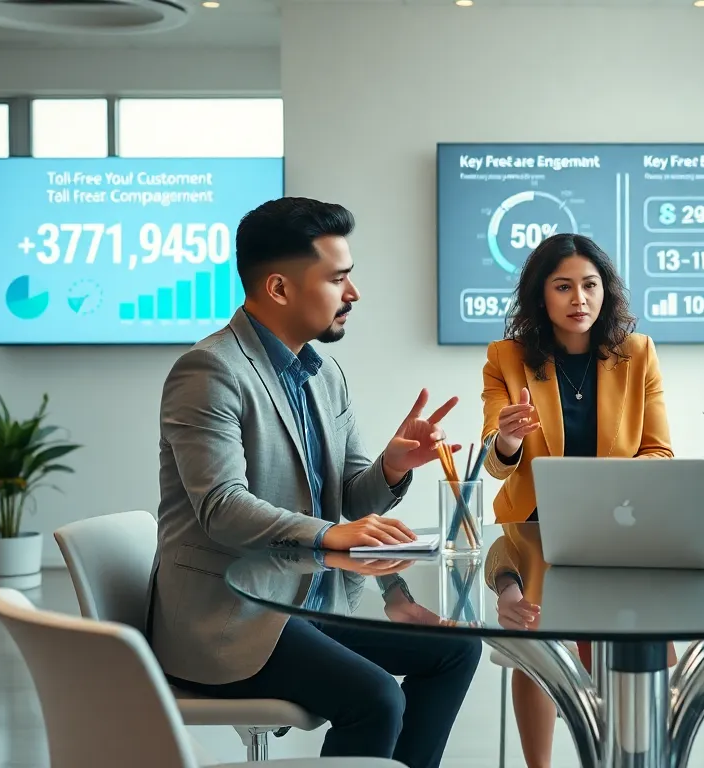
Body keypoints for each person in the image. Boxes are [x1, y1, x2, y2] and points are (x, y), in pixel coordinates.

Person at [149, 197, 481, 767]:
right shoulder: (209, 371)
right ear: (279, 288)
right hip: (229, 619)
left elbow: (348, 497)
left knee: (454, 650)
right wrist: (332, 535)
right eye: (338, 278)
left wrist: (393, 467)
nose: (353, 294)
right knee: (375, 697)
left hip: (305, 603)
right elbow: (223, 508)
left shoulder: (323, 371)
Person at [480, 232, 674, 768]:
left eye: (590, 285)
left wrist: (610, 494)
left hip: (618, 534)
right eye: (563, 287)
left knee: (634, 644)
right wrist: (508, 438)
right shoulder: (507, 359)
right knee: (537, 646)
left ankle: (624, 757)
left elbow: (659, 453)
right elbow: (494, 465)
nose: (579, 299)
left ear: (605, 292)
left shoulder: (637, 354)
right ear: (540, 297)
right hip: (532, 536)